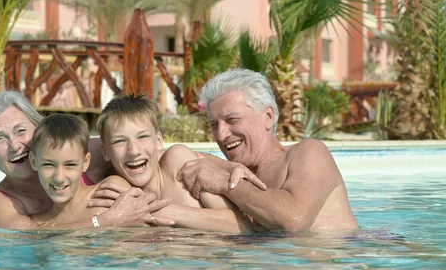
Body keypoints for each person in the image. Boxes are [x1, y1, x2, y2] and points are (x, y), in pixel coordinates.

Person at [176, 68, 359, 232]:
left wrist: (225, 183)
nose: (221, 134)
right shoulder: (232, 170)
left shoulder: (309, 153)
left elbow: (294, 220)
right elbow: (178, 159)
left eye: (232, 120)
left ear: (268, 117)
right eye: (214, 124)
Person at [0, 91, 172, 230]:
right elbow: (33, 238)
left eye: (21, 131)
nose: (15, 145)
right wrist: (107, 221)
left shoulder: (86, 151)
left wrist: (201, 163)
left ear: (38, 129)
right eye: (0, 139)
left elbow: (145, 153)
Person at [90, 94, 252, 234]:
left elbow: (243, 226)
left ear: (159, 141)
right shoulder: (114, 192)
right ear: (105, 152)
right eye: (119, 141)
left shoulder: (178, 163)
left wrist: (155, 209)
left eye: (143, 137)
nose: (133, 151)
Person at [29, 113, 164, 229]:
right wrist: (101, 222)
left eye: (70, 165)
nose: (59, 177)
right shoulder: (36, 223)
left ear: (86, 162)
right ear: (34, 162)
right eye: (48, 164)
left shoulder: (108, 193)